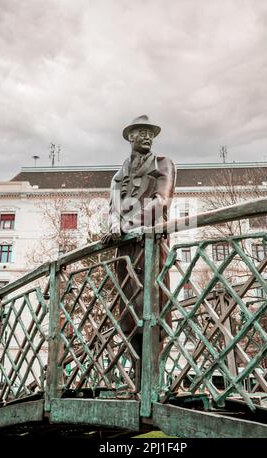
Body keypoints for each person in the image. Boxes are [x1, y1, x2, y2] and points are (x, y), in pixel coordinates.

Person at [102, 115, 176, 358]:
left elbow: (160, 201)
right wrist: (115, 223)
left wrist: (128, 225)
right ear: (130, 137)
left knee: (153, 312)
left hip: (150, 245)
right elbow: (113, 207)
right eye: (142, 132)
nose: (147, 137)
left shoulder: (163, 164)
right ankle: (136, 384)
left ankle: (151, 382)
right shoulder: (118, 175)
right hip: (125, 251)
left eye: (150, 134)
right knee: (128, 315)